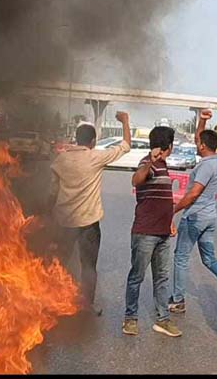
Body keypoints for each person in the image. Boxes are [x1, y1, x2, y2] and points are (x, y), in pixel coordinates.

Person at [48, 112, 131, 315]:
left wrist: (47, 216)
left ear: (77, 138)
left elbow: (52, 191)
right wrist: (125, 122)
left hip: (64, 221)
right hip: (88, 223)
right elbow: (125, 145)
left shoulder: (61, 160)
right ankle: (87, 305)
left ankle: (49, 302)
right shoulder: (95, 157)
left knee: (59, 262)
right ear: (93, 141)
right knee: (88, 266)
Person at [169, 108, 217, 320]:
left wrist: (172, 210)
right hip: (209, 216)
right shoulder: (216, 161)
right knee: (209, 259)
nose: (196, 143)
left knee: (181, 258)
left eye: (198, 142)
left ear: (202, 146)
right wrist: (202, 120)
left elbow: (192, 194)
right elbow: (200, 138)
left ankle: (178, 300)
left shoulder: (204, 167)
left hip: (195, 217)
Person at [122, 126, 182, 338]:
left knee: (162, 278)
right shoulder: (147, 164)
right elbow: (135, 180)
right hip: (145, 233)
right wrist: (150, 162)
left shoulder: (164, 166)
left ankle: (163, 319)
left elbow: (162, 202)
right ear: (170, 146)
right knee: (136, 276)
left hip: (163, 234)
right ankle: (130, 318)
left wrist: (170, 222)